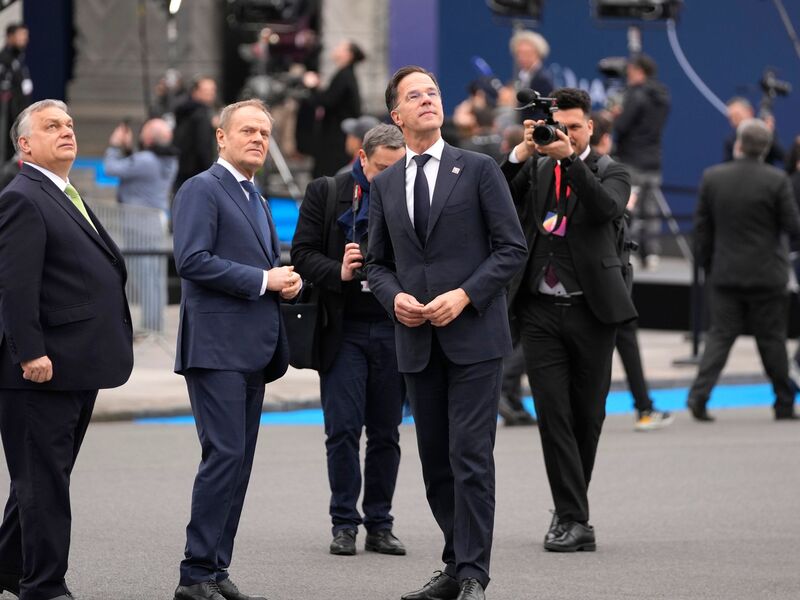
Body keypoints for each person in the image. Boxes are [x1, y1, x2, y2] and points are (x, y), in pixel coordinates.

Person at [367, 66, 527, 600]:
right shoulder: (385, 183)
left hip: (475, 337)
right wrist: (394, 298)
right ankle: (455, 565)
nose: (428, 100)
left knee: (470, 457)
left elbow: (512, 248)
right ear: (397, 115)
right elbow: (377, 263)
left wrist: (464, 295)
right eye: (415, 96)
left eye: (433, 92)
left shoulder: (479, 169)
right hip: (417, 340)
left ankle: (474, 573)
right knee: (436, 461)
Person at [0, 99, 134, 599]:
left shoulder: (62, 193)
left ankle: (8, 566)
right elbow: (15, 286)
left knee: (41, 479)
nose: (66, 131)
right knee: (44, 485)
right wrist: (29, 352)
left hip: (76, 364)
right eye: (52, 126)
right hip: (41, 369)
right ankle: (45, 586)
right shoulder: (22, 198)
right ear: (25, 144)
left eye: (70, 124)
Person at [172, 99, 302, 600]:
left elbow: (258, 270)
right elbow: (191, 260)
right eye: (248, 130)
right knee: (224, 456)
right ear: (221, 137)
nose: (258, 140)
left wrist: (285, 284)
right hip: (215, 348)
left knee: (238, 463)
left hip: (253, 349)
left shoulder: (257, 197)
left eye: (265, 133)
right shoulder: (202, 188)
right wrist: (264, 280)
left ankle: (215, 568)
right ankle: (195, 574)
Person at [502, 88, 635, 552]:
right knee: (553, 415)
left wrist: (570, 160)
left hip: (592, 310)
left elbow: (605, 208)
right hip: (539, 308)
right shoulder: (537, 166)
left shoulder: (611, 170)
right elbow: (497, 195)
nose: (566, 134)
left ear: (590, 128)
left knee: (587, 417)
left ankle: (568, 512)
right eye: (560, 127)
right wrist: (521, 153)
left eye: (575, 128)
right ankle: (576, 520)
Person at [291, 123, 407, 557]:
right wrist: (338, 271)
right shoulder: (327, 192)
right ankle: (344, 523)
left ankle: (380, 523)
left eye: (398, 170)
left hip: (394, 326)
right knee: (341, 430)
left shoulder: (412, 195)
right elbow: (301, 254)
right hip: (344, 329)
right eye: (381, 169)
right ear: (362, 158)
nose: (389, 178)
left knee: (386, 433)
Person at [687, 119, 800, 422]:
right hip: (768, 274)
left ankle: (699, 396)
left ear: (738, 144)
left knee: (719, 337)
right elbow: (793, 225)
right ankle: (784, 402)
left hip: (725, 272)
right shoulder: (777, 180)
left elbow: (702, 229)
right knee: (772, 340)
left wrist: (709, 265)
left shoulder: (713, 177)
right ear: (765, 148)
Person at [591, 112, 673, 431]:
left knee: (621, 339)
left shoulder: (600, 171)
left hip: (603, 276)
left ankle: (643, 406)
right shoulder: (610, 173)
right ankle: (643, 407)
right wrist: (625, 208)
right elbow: (612, 219)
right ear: (606, 139)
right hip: (608, 276)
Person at [103, 118, 179, 333]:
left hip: (139, 225)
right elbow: (136, 168)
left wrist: (114, 146)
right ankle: (153, 323)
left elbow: (110, 168)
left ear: (148, 139)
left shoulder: (145, 160)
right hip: (154, 221)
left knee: (145, 276)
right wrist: (128, 150)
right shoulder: (169, 160)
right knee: (153, 276)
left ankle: (151, 327)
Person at [611, 54, 670, 271]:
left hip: (632, 159)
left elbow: (622, 126)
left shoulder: (635, 95)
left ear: (639, 71)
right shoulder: (663, 96)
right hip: (653, 160)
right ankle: (652, 253)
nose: (627, 75)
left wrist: (616, 115)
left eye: (630, 71)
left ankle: (631, 251)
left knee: (631, 207)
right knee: (650, 208)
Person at [299, 40, 364, 178]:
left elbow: (328, 100)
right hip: (335, 137)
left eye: (341, 47)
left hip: (336, 140)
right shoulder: (345, 74)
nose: (336, 49)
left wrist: (312, 86)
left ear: (348, 55)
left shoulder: (345, 76)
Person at [173, 76, 218, 192]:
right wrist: (211, 170)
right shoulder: (201, 115)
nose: (212, 94)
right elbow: (203, 144)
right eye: (207, 91)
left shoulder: (184, 111)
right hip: (198, 171)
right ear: (195, 92)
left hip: (183, 169)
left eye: (213, 90)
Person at [0, 23, 32, 163]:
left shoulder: (18, 59)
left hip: (20, 112)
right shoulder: (4, 59)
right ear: (10, 37)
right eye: (21, 35)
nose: (24, 38)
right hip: (8, 116)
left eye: (25, 35)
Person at [723, 97, 784, 166]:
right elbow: (727, 166)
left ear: (750, 112)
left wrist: (768, 135)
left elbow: (782, 157)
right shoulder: (731, 140)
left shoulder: (767, 132)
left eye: (737, 116)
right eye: (731, 118)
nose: (733, 122)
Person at [509, 30, 553, 122]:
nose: (522, 57)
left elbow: (544, 111)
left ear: (538, 53)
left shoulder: (542, 80)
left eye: (527, 53)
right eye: (519, 53)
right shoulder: (522, 76)